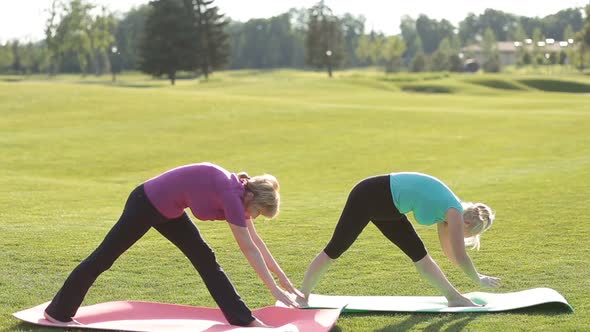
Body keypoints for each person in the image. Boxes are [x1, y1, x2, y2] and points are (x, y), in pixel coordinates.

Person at [44, 162, 303, 327]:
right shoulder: (232, 195)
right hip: (145, 204)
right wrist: (274, 291)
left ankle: (243, 320)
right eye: (258, 212)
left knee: (205, 259)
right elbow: (249, 249)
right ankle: (58, 312)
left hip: (171, 212)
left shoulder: (239, 194)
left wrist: (285, 282)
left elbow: (257, 242)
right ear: (252, 199)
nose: (255, 217)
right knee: (104, 257)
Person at [300, 172, 500, 307]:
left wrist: (473, 273)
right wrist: (478, 278)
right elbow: (461, 256)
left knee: (420, 256)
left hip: (390, 208)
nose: (465, 237)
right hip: (369, 196)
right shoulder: (454, 212)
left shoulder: (447, 213)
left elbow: (451, 254)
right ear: (467, 224)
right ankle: (302, 297)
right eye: (471, 235)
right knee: (334, 250)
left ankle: (454, 297)